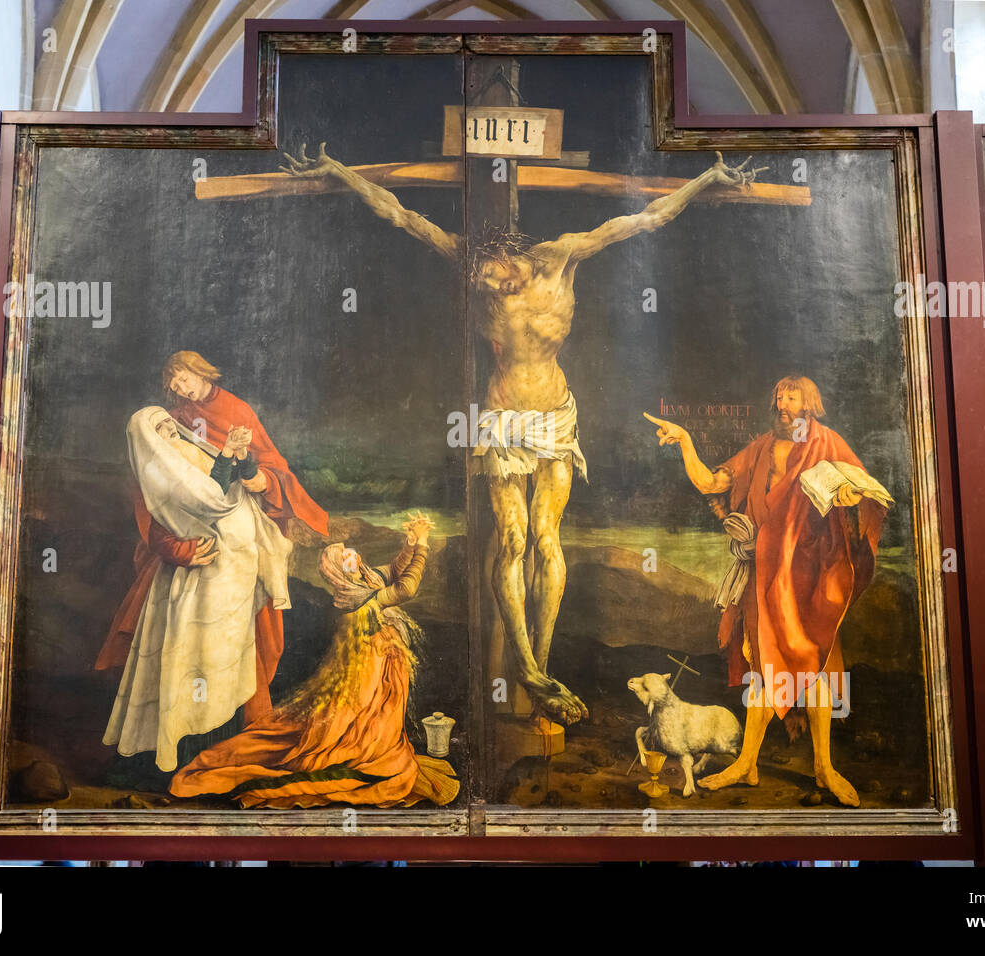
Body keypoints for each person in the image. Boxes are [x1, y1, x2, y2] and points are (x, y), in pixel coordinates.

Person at [277, 142, 761, 726]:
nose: (488, 287)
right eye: (478, 279)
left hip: (555, 417)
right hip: (503, 421)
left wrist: (708, 177)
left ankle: (543, 664)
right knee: (511, 542)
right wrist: (337, 168)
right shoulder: (470, 263)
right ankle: (530, 671)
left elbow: (646, 217)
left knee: (546, 542)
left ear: (516, 259)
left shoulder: (561, 257)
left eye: (495, 276)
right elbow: (399, 214)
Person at [645, 376, 889, 807]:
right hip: (763, 576)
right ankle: (747, 762)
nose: (782, 403)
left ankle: (823, 767)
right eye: (779, 397)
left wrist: (851, 499)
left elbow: (865, 495)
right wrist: (685, 441)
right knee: (760, 661)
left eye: (791, 397)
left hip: (811, 578)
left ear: (809, 403)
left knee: (818, 665)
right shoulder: (758, 449)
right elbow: (710, 482)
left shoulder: (828, 443)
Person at [96, 351, 328, 725]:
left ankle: (240, 727)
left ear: (199, 371)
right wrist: (177, 547)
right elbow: (163, 495)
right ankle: (185, 731)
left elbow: (266, 468)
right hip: (195, 551)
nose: (181, 390)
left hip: (240, 547)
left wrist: (260, 479)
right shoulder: (169, 424)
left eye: (184, 380)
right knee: (185, 644)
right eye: (174, 386)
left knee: (244, 637)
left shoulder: (236, 410)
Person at [169, 514, 459, 808]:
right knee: (357, 736)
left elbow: (395, 570)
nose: (353, 556)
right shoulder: (357, 598)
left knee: (367, 729)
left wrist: (410, 543)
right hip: (367, 679)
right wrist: (422, 545)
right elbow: (406, 588)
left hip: (378, 674)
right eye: (346, 558)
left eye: (351, 554)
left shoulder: (365, 582)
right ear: (340, 575)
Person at [102, 407, 293, 772]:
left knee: (233, 659)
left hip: (234, 573)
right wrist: (184, 551)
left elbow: (233, 485)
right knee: (196, 661)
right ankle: (191, 752)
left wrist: (238, 457)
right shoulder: (155, 473)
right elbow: (198, 505)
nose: (168, 431)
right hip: (196, 585)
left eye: (167, 424)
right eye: (158, 429)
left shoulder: (193, 453)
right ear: (145, 440)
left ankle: (229, 749)